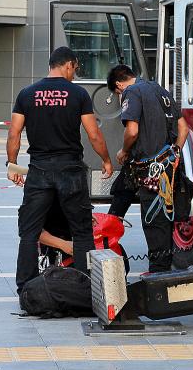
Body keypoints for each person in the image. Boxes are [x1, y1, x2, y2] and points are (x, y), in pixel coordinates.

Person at [7, 46, 113, 295]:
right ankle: (86, 288)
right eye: (75, 68)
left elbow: (14, 133)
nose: (74, 74)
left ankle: (26, 290)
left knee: (30, 231)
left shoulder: (27, 93)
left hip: (39, 169)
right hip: (70, 170)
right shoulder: (78, 94)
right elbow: (93, 134)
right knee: (81, 231)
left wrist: (12, 164)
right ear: (68, 65)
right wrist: (106, 160)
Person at [106, 64, 188, 273]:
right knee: (122, 194)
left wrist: (123, 151)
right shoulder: (159, 90)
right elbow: (184, 128)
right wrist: (174, 154)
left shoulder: (130, 92)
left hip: (150, 168)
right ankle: (106, 241)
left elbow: (132, 131)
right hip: (164, 165)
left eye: (117, 94)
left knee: (154, 219)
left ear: (118, 85)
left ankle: (158, 273)